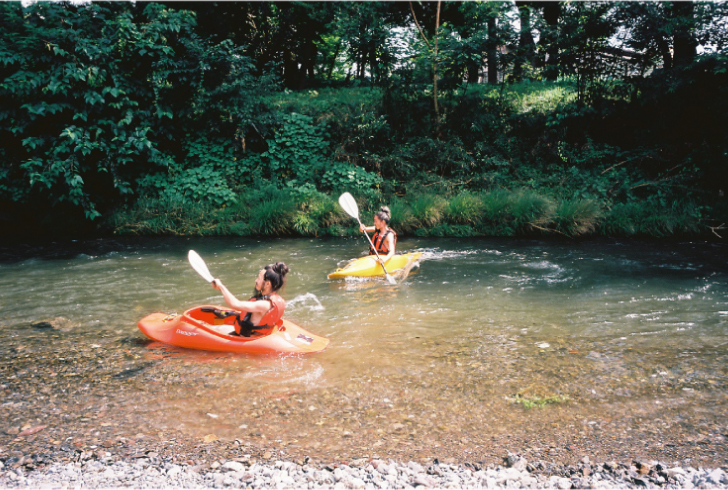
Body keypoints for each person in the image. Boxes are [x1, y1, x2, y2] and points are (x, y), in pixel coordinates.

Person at [209, 262, 289, 337]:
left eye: (259, 278)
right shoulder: (276, 299)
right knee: (218, 327)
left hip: (246, 339)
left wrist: (220, 287)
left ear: (267, 284)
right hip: (257, 336)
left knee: (211, 329)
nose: (256, 281)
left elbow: (234, 304)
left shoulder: (264, 304)